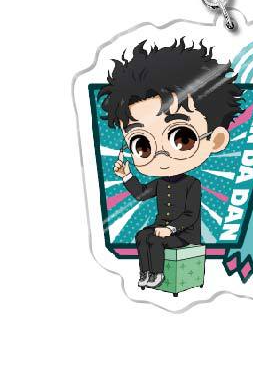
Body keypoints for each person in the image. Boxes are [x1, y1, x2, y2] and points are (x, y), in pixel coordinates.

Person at [98, 39, 243, 289]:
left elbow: (191, 215)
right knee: (142, 236)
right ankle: (146, 273)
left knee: (155, 240)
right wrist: (126, 176)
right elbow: (142, 194)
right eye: (142, 145)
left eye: (182, 138)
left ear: (216, 140)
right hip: (162, 230)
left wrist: (172, 229)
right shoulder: (159, 183)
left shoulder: (192, 184)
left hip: (184, 235)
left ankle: (157, 274)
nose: (160, 156)